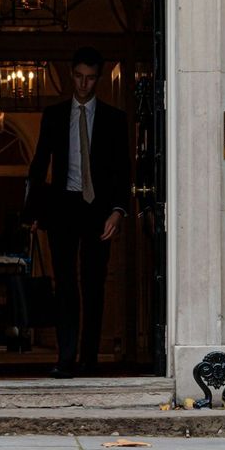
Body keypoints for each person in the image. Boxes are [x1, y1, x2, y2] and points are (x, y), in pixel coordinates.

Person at [24, 47, 129, 379]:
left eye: (90, 78)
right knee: (65, 284)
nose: (84, 84)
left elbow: (123, 170)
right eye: (79, 77)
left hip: (98, 210)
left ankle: (89, 359)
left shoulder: (114, 118)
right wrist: (33, 212)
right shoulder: (54, 115)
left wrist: (118, 210)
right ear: (72, 75)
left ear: (98, 78)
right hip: (63, 207)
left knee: (94, 284)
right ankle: (65, 358)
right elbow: (40, 164)